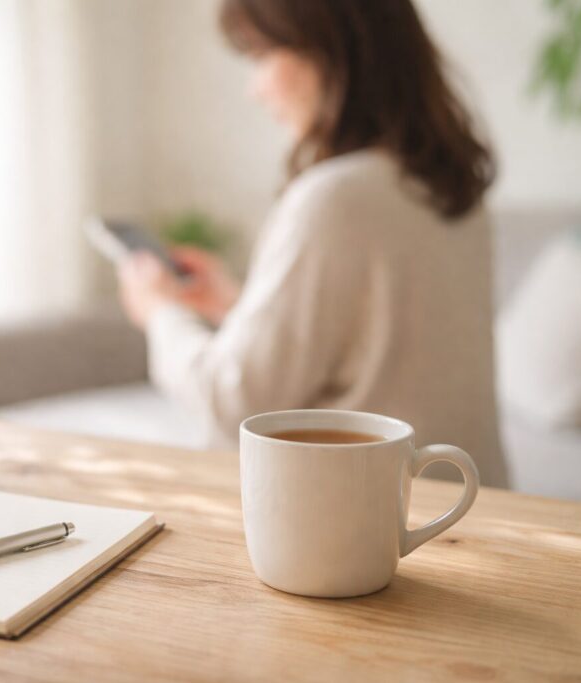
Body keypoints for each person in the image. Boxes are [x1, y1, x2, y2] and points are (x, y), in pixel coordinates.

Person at [116, 0, 510, 488]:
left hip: (375, 516)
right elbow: (377, 353)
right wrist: (234, 303)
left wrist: (160, 312)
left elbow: (230, 403)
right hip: (472, 499)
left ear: (330, 50)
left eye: (263, 56)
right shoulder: (453, 188)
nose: (255, 89)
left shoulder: (332, 199)